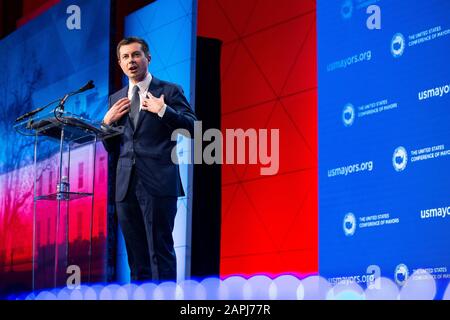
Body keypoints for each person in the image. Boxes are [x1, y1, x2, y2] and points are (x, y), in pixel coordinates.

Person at [102, 36, 196, 282]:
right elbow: (113, 147)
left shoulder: (169, 91)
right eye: (125, 57)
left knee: (160, 253)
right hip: (126, 187)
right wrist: (106, 124)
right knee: (137, 258)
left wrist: (163, 110)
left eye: (135, 55)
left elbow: (193, 129)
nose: (131, 61)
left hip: (158, 183)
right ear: (120, 63)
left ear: (148, 58)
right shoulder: (116, 99)